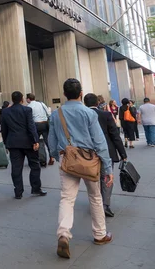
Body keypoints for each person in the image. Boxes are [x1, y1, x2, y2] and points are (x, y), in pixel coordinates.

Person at [48, 79, 113, 259]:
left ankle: (63, 234)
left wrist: (57, 155)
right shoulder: (88, 113)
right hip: (89, 160)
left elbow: (51, 140)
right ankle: (100, 234)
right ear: (81, 93)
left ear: (64, 94)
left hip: (67, 158)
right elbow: (99, 142)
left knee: (67, 198)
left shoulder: (56, 114)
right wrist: (107, 167)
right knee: (95, 196)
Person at [84, 93, 127, 218]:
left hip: (88, 153)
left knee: (93, 178)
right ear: (97, 103)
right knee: (107, 177)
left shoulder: (82, 116)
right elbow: (115, 135)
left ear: (85, 103)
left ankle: (96, 203)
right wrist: (122, 153)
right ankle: (105, 204)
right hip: (106, 150)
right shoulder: (106, 115)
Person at [0, 91, 47, 199]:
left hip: (13, 143)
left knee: (16, 168)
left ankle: (18, 192)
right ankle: (35, 188)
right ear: (22, 99)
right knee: (34, 165)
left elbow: (4, 129)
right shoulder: (27, 110)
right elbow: (31, 126)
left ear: (12, 99)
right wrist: (35, 141)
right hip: (28, 142)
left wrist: (6, 143)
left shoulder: (5, 112)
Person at [26, 93, 54, 167]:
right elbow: (48, 114)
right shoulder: (41, 104)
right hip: (44, 124)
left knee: (36, 141)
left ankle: (38, 158)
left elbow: (29, 118)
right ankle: (51, 156)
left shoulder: (28, 106)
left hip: (36, 125)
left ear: (28, 99)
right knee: (47, 141)